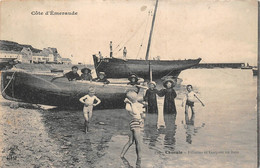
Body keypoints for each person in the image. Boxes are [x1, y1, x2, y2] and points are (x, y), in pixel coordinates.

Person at [120, 91, 145, 167]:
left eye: (135, 96)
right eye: (134, 97)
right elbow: (135, 112)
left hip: (135, 123)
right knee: (138, 142)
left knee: (131, 141)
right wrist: (131, 103)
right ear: (131, 99)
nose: (136, 98)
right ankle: (139, 158)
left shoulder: (137, 104)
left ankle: (121, 155)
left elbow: (142, 113)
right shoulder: (129, 105)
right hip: (135, 123)